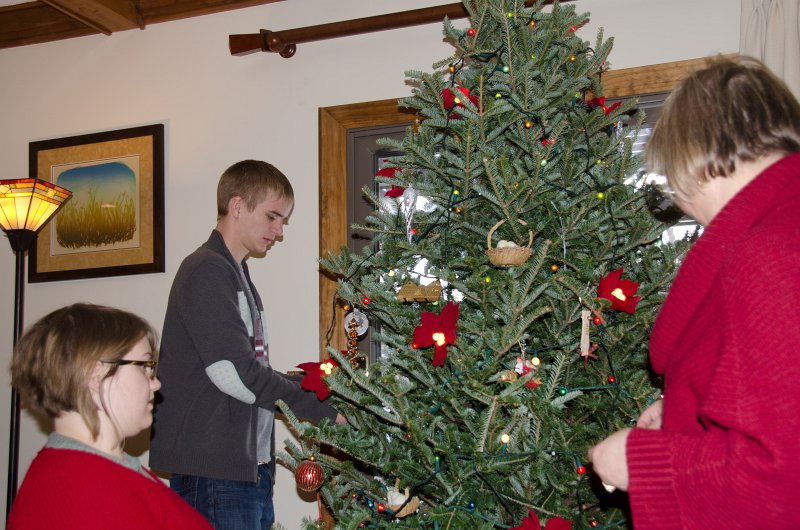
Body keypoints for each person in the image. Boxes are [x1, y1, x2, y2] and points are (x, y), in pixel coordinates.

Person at [588, 55, 800, 528]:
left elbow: (782, 477)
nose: (678, 200)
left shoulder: (773, 251)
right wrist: (686, 410)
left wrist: (643, 460)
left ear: (698, 155)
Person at [149, 159, 344, 530]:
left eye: (283, 220)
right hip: (214, 475)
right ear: (237, 206)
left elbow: (246, 369)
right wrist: (325, 409)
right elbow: (235, 373)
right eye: (273, 217)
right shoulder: (207, 270)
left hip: (245, 472)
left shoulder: (235, 273)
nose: (279, 230)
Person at [8, 303, 213, 530]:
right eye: (144, 366)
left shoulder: (105, 467)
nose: (155, 383)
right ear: (96, 373)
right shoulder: (85, 488)